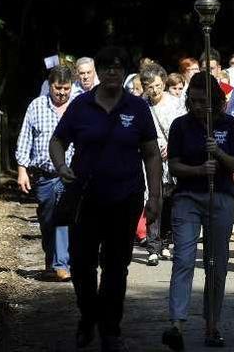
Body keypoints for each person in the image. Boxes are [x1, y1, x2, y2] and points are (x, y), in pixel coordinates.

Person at [49, 46, 163, 352]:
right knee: (83, 264)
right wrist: (61, 167)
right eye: (107, 67)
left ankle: (110, 329)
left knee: (116, 266)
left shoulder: (137, 108)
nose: (113, 71)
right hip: (85, 197)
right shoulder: (81, 105)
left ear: (125, 71)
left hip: (125, 198)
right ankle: (88, 316)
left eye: (118, 66)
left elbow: (152, 154)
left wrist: (155, 196)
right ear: (98, 71)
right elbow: (58, 140)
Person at [161, 72, 234, 350]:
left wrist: (218, 153)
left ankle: (212, 325)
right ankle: (177, 324)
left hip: (220, 198)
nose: (198, 106)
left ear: (217, 101)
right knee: (184, 259)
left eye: (204, 101)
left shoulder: (229, 125)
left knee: (216, 264)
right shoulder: (180, 126)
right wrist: (198, 169)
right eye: (193, 101)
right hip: (187, 197)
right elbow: (173, 165)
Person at [15, 64, 75, 282]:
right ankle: (52, 261)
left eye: (66, 88)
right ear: (50, 86)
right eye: (58, 88)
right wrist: (22, 170)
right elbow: (25, 140)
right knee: (48, 219)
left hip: (70, 175)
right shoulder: (36, 106)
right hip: (44, 175)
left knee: (64, 216)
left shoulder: (79, 107)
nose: (61, 93)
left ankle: (63, 264)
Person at [141, 64, 187, 266]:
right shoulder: (142, 105)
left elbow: (182, 129)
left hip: (172, 155)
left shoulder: (175, 103)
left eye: (158, 85)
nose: (155, 90)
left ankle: (166, 242)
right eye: (150, 87)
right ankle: (152, 245)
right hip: (151, 157)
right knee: (154, 198)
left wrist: (173, 146)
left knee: (170, 199)